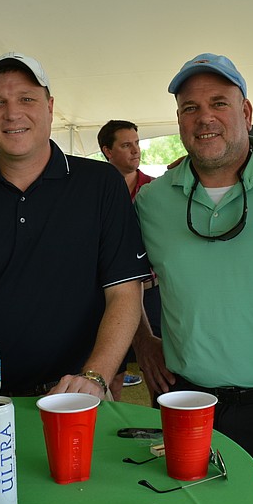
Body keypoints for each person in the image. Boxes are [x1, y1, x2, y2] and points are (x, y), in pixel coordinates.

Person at [134, 53, 253, 504]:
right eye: (189, 108)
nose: (205, 118)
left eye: (219, 102)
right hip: (187, 408)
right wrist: (143, 339)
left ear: (246, 112)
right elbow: (121, 284)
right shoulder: (151, 202)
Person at [0, 52, 149, 412]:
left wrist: (96, 376)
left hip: (76, 398)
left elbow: (124, 293)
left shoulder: (100, 184)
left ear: (50, 107)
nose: (12, 114)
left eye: (27, 99)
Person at [96, 119, 161, 398]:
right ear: (107, 151)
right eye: (126, 145)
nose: (135, 151)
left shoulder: (157, 191)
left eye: (137, 144)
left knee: (160, 369)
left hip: (152, 293)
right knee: (113, 373)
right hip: (108, 295)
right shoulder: (94, 192)